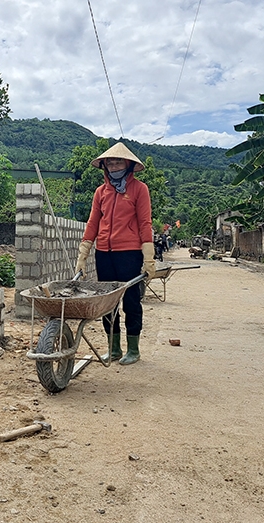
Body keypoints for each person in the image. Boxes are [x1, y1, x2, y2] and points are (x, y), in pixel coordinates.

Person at [74, 143, 156, 365]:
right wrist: (83, 255)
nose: (114, 165)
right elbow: (93, 223)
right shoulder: (101, 192)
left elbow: (145, 223)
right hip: (104, 254)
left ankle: (133, 350)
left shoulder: (140, 189)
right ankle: (114, 349)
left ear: (129, 165)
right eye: (110, 162)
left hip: (129, 253)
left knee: (130, 301)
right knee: (108, 303)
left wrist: (148, 258)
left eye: (118, 161)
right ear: (104, 166)